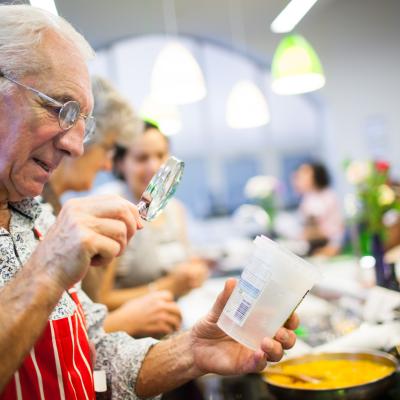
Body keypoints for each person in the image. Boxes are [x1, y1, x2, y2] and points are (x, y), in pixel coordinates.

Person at [0, 4, 298, 398]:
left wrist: (193, 350)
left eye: (81, 124)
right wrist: (47, 270)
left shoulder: (35, 216)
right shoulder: (53, 240)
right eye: (60, 109)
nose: (74, 145)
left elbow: (97, 355)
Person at [40, 76, 182, 338]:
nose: (108, 165)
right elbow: (55, 325)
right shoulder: (51, 209)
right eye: (107, 150)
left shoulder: (54, 206)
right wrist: (121, 320)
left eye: (160, 156)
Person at [95, 122, 209, 310]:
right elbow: (100, 301)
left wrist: (194, 273)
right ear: (121, 164)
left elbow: (187, 264)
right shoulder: (111, 211)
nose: (154, 166)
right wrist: (170, 287)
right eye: (142, 158)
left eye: (160, 155)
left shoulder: (176, 210)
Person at [292, 162, 344, 256]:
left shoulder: (328, 197)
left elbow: (338, 229)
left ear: (316, 175)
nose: (299, 177)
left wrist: (334, 247)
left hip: (328, 248)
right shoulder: (307, 198)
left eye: (305, 173)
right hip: (311, 248)